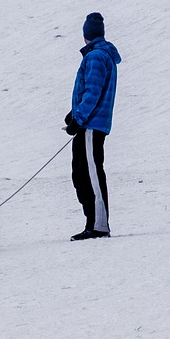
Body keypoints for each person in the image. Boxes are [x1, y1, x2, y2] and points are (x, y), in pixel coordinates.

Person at [65, 12, 120, 239]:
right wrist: (73, 114)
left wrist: (79, 118)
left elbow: (93, 91)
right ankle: (93, 222)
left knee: (90, 174)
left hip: (91, 124)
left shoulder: (96, 56)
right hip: (88, 122)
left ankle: (98, 225)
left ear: (86, 34)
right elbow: (90, 91)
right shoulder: (97, 55)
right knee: (79, 173)